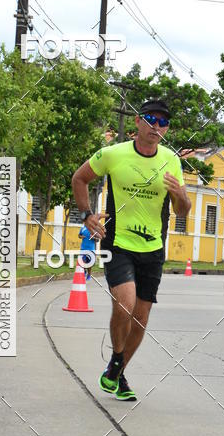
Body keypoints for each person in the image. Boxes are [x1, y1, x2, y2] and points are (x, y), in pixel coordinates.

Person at [72, 100, 191, 401]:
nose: (156, 127)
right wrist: (87, 214)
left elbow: (182, 211)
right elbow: (80, 178)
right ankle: (116, 359)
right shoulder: (114, 154)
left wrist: (181, 197)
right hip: (119, 243)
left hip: (153, 248)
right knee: (124, 305)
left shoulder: (171, 161)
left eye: (163, 123)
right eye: (151, 119)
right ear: (138, 121)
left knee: (140, 318)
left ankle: (117, 370)